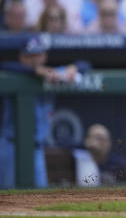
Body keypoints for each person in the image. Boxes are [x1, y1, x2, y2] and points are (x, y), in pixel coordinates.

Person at [0, 35, 90, 188]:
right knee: (7, 198)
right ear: (22, 57)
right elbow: (4, 65)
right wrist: (35, 71)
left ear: (45, 56)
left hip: (37, 149)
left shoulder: (51, 73)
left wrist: (72, 69)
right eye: (30, 56)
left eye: (38, 55)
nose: (35, 60)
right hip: (11, 146)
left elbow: (85, 64)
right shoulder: (15, 73)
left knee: (40, 195)